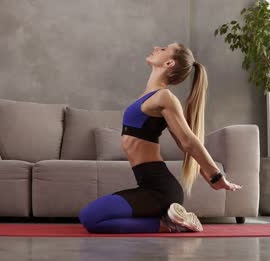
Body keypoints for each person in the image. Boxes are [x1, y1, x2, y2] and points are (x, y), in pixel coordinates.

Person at [78, 42, 243, 233]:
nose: (156, 47)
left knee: (91, 218)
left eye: (164, 49)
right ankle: (171, 221)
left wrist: (215, 177)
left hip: (160, 190)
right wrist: (209, 176)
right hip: (148, 187)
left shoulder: (164, 97)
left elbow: (188, 141)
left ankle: (169, 224)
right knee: (89, 217)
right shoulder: (151, 97)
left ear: (169, 63)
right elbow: (184, 144)